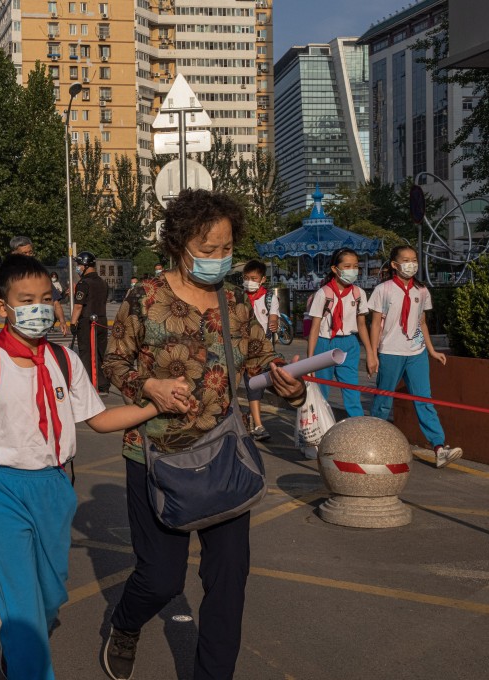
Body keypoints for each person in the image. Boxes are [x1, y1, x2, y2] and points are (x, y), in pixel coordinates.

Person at [0, 254, 189, 680]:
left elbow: (99, 420)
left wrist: (153, 405)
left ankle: (19, 641)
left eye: (44, 298)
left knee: (52, 592)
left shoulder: (63, 362)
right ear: (3, 306)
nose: (38, 308)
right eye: (26, 300)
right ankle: (25, 655)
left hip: (55, 486)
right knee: (23, 606)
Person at [101, 189, 307, 680]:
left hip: (223, 455)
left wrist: (287, 383)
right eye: (208, 249)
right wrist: (147, 384)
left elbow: (259, 358)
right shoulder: (144, 297)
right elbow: (114, 360)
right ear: (178, 244)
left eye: (227, 248)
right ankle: (127, 623)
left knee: (229, 579)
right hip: (153, 455)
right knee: (160, 579)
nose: (220, 259)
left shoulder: (233, 300)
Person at [368, 245, 463, 468]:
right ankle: (371, 443)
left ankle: (439, 447)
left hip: (416, 352)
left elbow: (421, 322)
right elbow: (375, 324)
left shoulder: (421, 291)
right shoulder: (383, 290)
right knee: (383, 401)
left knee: (424, 399)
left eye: (414, 259)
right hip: (390, 351)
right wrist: (372, 354)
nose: (411, 264)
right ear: (394, 264)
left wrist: (430, 350)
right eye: (406, 260)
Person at [306, 248, 373, 417]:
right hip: (324, 343)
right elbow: (314, 328)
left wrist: (371, 353)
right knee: (321, 392)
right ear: (335, 269)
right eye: (347, 266)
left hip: (349, 344)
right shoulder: (323, 293)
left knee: (352, 391)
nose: (353, 270)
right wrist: (310, 361)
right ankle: (321, 430)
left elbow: (362, 325)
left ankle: (358, 429)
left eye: (356, 266)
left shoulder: (359, 293)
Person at [0, 236, 69, 344]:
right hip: (14, 335)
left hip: (40, 335)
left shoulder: (40, 276)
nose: (28, 256)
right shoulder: (6, 278)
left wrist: (62, 321)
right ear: (14, 254)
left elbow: (55, 303)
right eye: (24, 253)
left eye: (30, 253)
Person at [241, 259, 279, 440]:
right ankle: (257, 424)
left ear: (262, 279)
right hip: (240, 348)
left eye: (254, 278)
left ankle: (253, 419)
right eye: (246, 278)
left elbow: (274, 318)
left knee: (256, 386)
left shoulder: (270, 298)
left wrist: (274, 323)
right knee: (251, 386)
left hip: (261, 351)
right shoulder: (237, 297)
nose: (249, 282)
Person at [70, 251, 110, 396]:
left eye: (79, 265)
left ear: (86, 266)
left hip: (87, 322)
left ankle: (89, 385)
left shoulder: (83, 283)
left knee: (86, 352)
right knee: (100, 352)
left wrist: (73, 323)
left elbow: (78, 306)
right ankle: (103, 384)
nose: (78, 267)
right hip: (102, 320)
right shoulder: (102, 282)